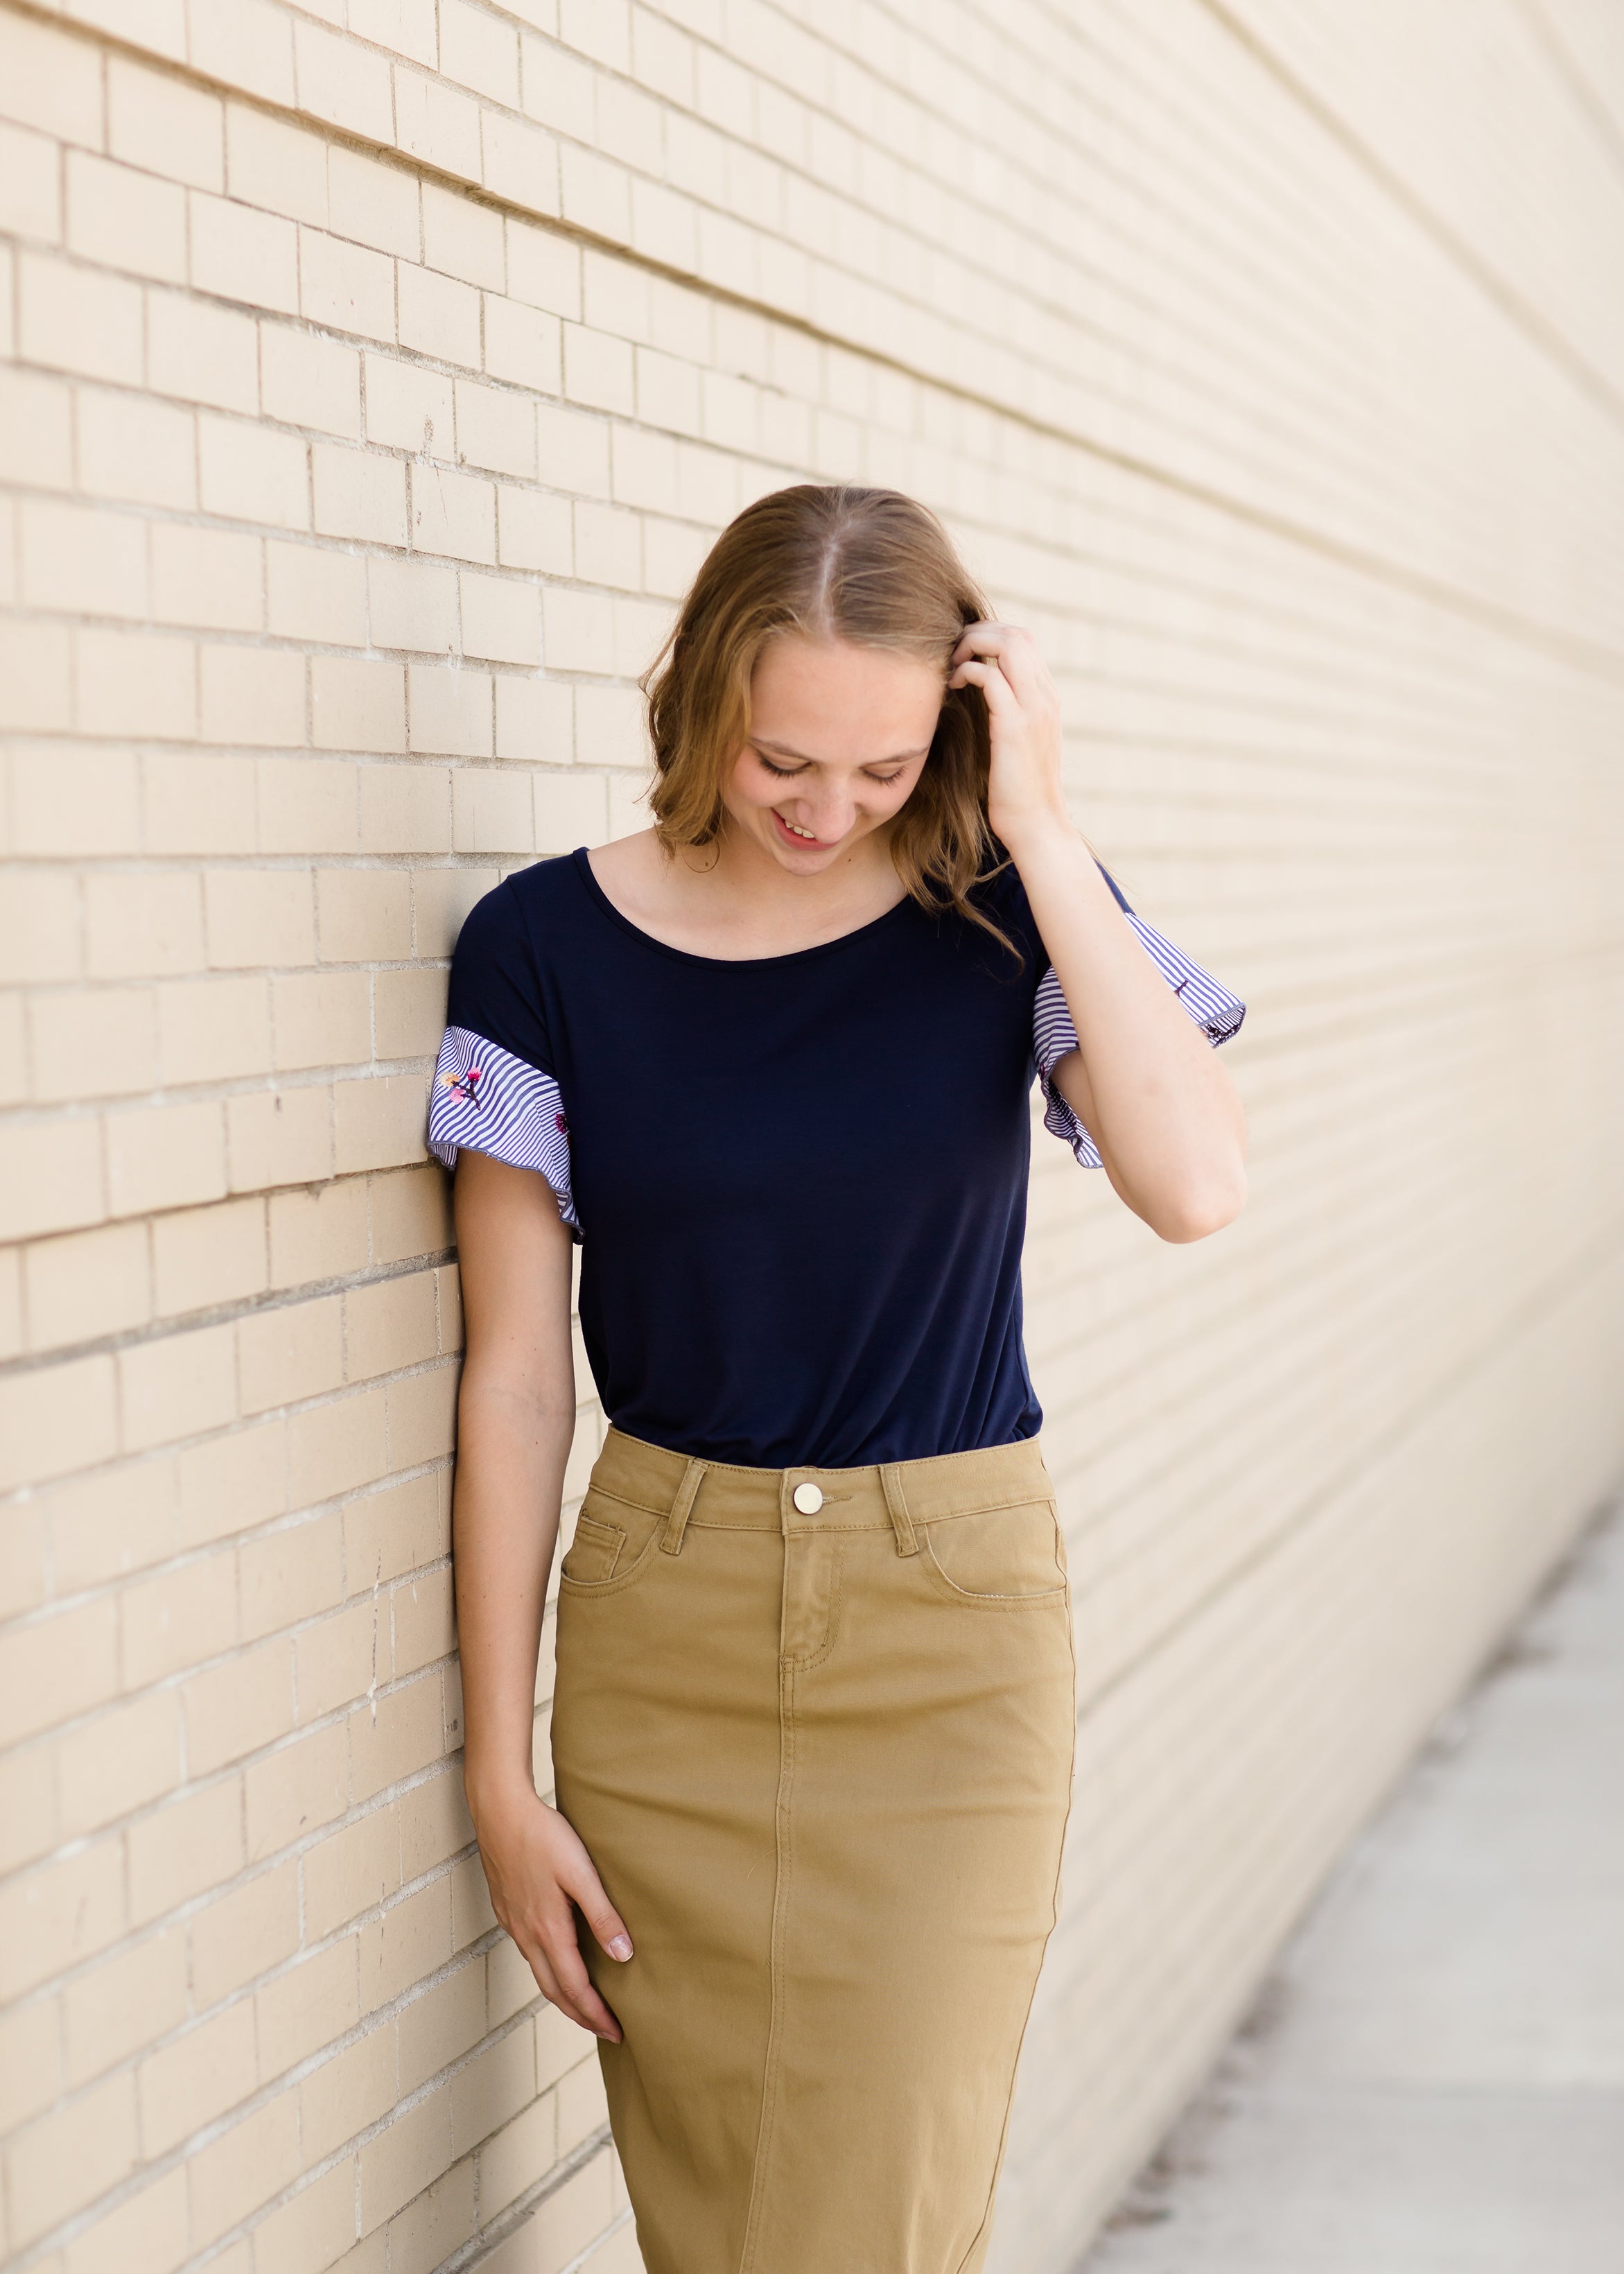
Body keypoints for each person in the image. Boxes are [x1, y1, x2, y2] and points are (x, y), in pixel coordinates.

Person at [428, 484, 1247, 2274]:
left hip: (948, 1657)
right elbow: (514, 1385)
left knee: (875, 2217)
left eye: (881, 772)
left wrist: (1037, 821)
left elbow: (1198, 1183)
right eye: (781, 760)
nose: (826, 814)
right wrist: (501, 1774)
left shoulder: (1003, 916)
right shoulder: (540, 953)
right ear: (702, 694)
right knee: (729, 2227)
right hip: (669, 1639)